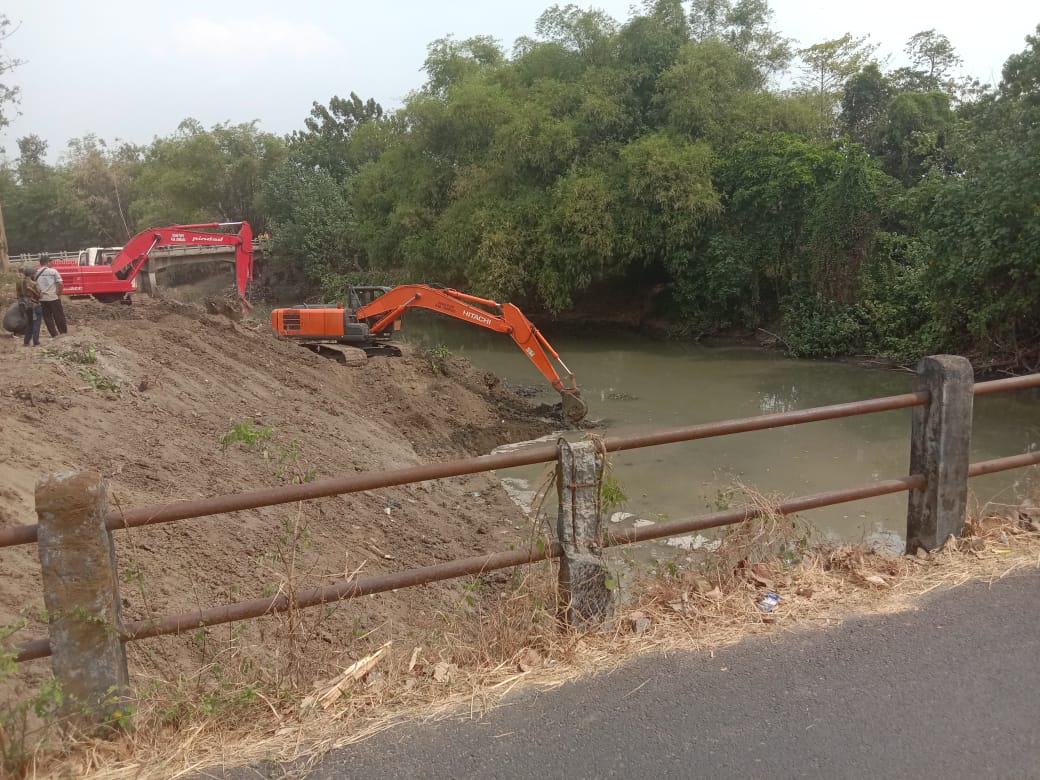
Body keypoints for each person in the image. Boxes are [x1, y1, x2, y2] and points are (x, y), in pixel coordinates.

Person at [33, 254, 68, 338]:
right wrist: (59, 294)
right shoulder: (53, 271)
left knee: (47, 317)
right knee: (58, 315)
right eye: (50, 262)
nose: (52, 263)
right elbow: (60, 284)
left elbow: (34, 286)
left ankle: (54, 334)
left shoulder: (36, 273)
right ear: (47, 262)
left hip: (42, 299)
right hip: (53, 297)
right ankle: (63, 333)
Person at [15, 266, 42, 346]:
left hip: (25, 305)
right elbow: (40, 295)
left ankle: (26, 342)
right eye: (34, 273)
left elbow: (18, 296)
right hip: (35, 305)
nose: (35, 275)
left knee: (29, 323)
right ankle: (36, 342)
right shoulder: (34, 283)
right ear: (31, 274)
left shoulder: (19, 283)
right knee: (36, 323)